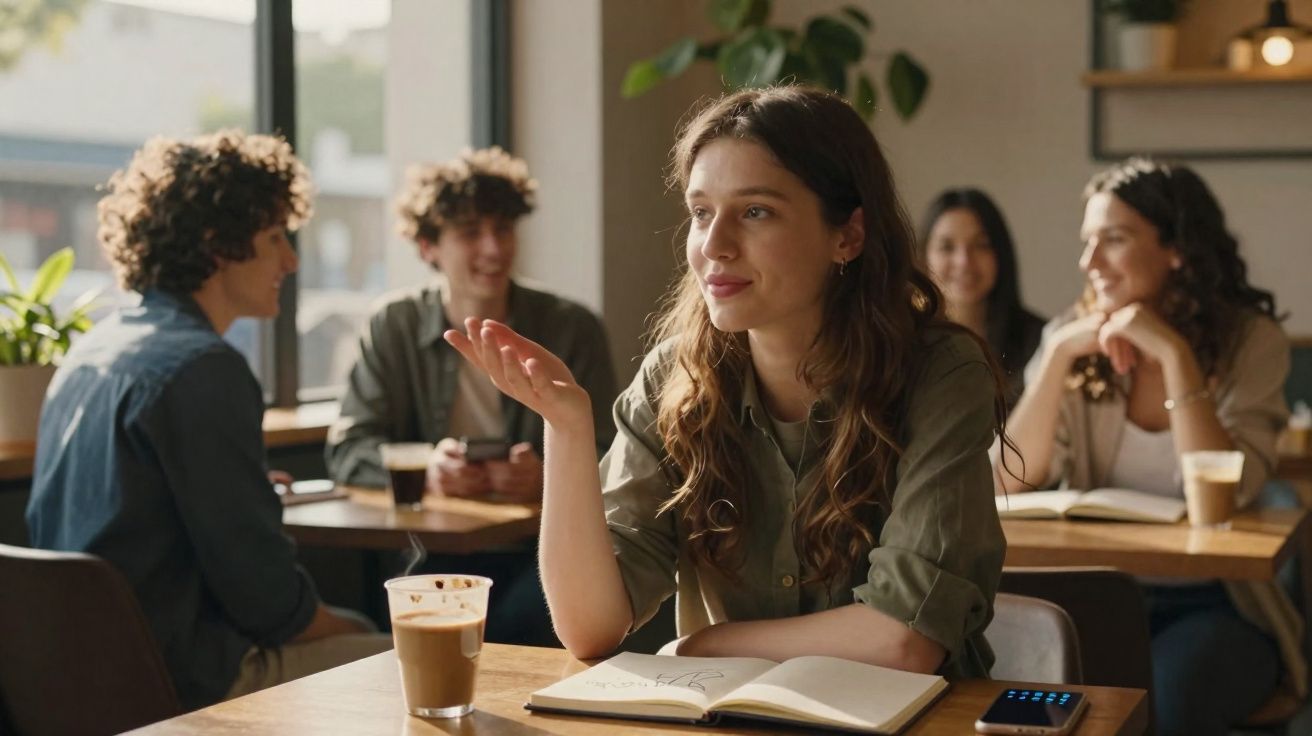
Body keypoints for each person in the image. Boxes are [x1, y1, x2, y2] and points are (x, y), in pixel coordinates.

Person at [445, 86, 1008, 677]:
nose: (714, 245)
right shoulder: (674, 377)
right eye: (701, 213)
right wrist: (565, 428)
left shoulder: (939, 372)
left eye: (755, 211)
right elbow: (589, 626)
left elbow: (905, 641)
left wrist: (706, 645)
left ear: (847, 235)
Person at [25, 130, 390, 710]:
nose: (291, 261)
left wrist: (239, 492)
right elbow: (272, 606)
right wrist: (358, 624)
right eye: (275, 238)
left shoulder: (91, 353)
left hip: (76, 681)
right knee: (411, 659)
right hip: (191, 681)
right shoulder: (202, 369)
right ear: (220, 244)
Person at [995, 158, 1298, 734]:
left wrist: (1174, 356)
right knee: (1027, 702)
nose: (1089, 263)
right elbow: (1006, 479)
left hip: (1215, 606)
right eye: (1087, 243)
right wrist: (1056, 358)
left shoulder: (1250, 343)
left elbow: (1225, 494)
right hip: (1093, 597)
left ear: (1176, 249)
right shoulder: (1076, 338)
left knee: (1164, 700)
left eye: (1113, 239)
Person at [325, 146, 618, 645]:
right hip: (427, 554)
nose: (493, 249)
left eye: (503, 229)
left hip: (538, 549)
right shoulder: (394, 325)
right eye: (469, 233)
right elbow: (349, 450)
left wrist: (549, 474)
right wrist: (429, 472)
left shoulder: (569, 326)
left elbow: (616, 454)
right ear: (427, 247)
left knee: (515, 625)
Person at [920, 188, 1045, 405]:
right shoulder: (904, 340)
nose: (964, 261)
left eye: (981, 245)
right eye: (947, 247)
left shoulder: (1040, 342)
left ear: (1001, 254)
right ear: (923, 257)